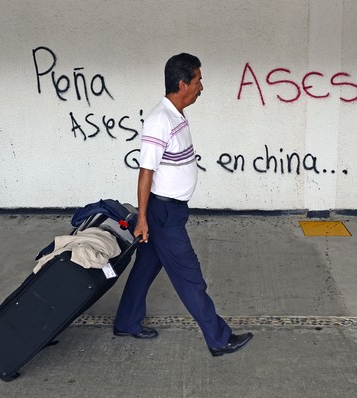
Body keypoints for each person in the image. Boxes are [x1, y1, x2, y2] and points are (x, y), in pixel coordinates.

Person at [113, 53, 253, 357]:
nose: (202, 86)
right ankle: (219, 338)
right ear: (182, 83)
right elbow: (145, 172)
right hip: (163, 214)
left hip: (169, 211)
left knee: (145, 268)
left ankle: (126, 321)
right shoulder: (159, 120)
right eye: (198, 80)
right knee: (191, 277)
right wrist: (143, 219)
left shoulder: (176, 114)